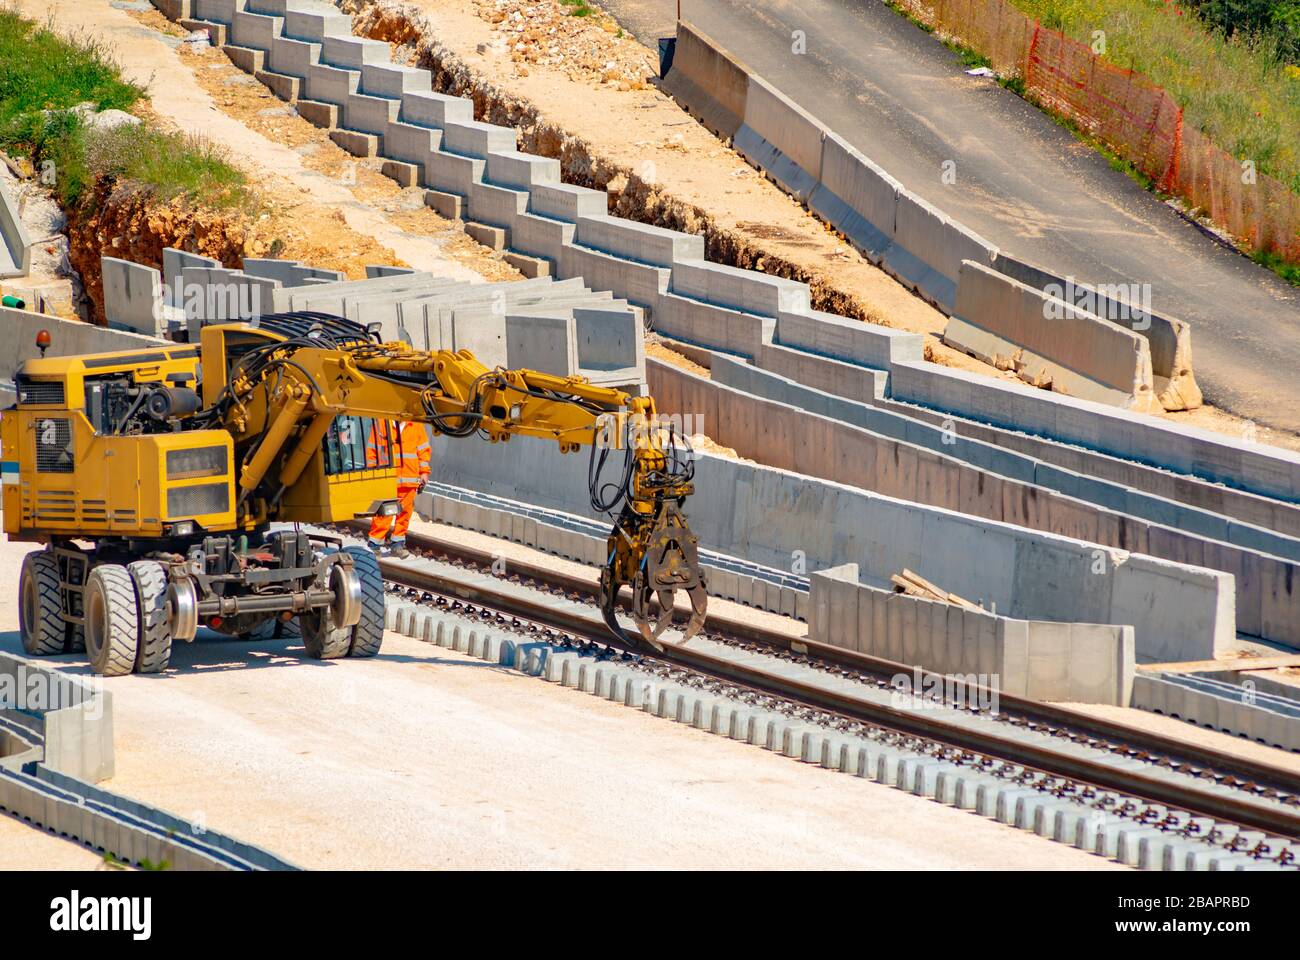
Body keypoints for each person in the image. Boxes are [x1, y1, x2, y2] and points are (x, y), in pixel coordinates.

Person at [366, 419, 430, 558]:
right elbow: (372, 449)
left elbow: (423, 450)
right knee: (383, 512)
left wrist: (424, 473)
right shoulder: (381, 422)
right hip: (387, 478)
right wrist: (372, 473)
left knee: (405, 513)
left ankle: (397, 544)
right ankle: (375, 545)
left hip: (409, 479)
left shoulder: (416, 424)